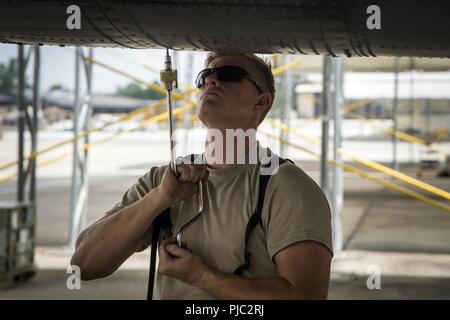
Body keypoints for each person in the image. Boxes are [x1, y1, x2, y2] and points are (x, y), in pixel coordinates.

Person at [71, 52, 333, 299]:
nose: (210, 80)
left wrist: (200, 276)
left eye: (229, 74)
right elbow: (84, 264)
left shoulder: (285, 186)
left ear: (261, 101)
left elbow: (305, 295)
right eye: (204, 76)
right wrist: (160, 198)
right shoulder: (164, 180)